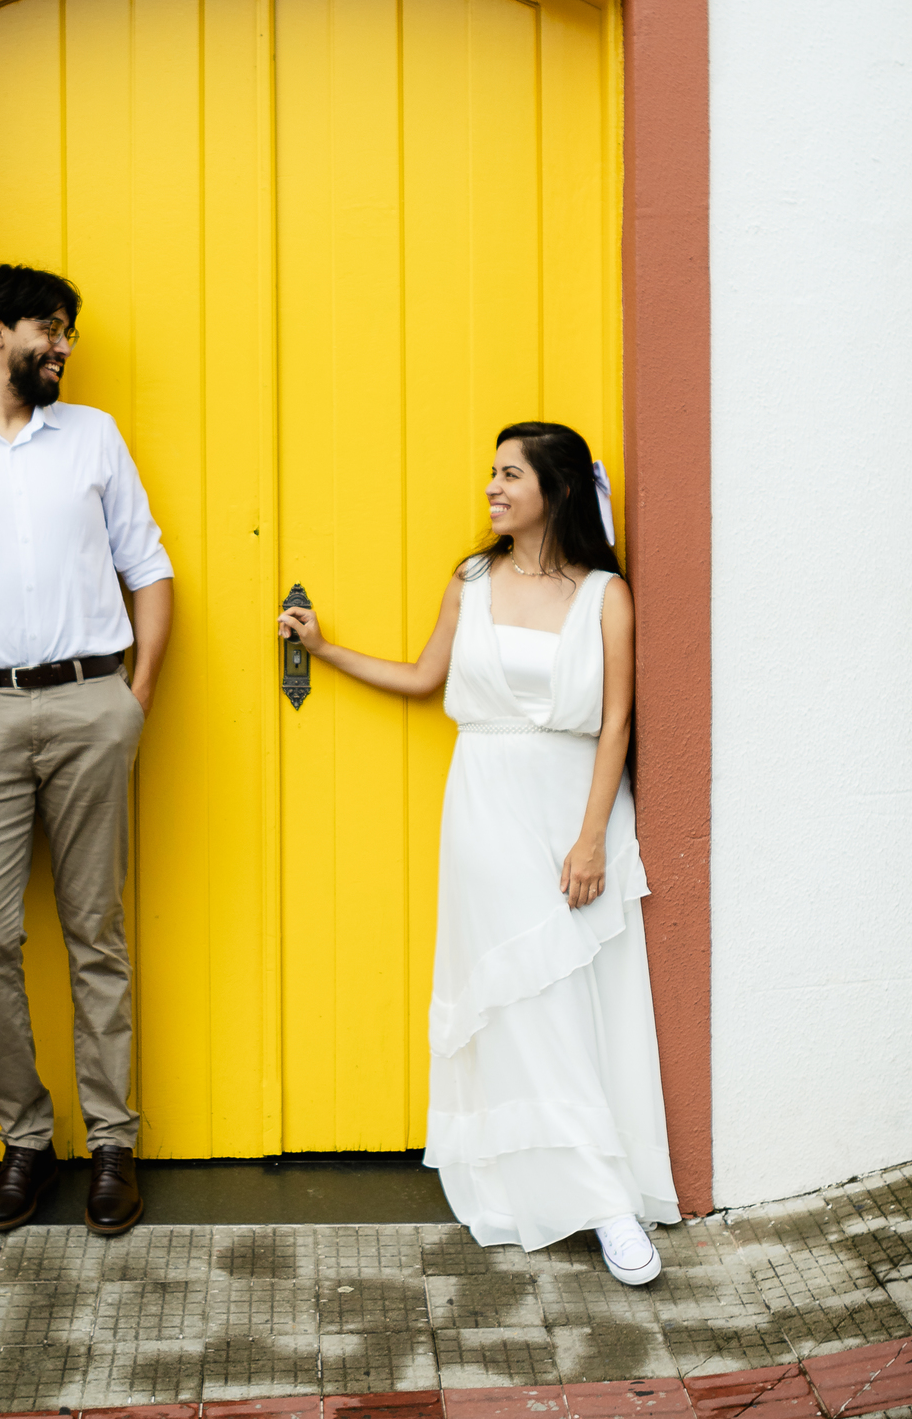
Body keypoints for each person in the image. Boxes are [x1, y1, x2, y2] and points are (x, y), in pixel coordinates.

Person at [277, 421, 679, 1284]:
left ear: (556, 490)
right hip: (487, 806)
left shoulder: (606, 595)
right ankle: (597, 1201)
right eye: (492, 473)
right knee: (526, 997)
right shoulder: (471, 579)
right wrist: (324, 651)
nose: (492, 488)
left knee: (576, 992)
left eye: (510, 475)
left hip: (574, 807)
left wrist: (590, 839)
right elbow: (425, 678)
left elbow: (616, 722)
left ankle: (603, 1189)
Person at [0, 263, 173, 1236]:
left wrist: (132, 701)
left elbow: (150, 570)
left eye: (67, 332)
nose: (62, 347)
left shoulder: (92, 437)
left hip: (91, 703)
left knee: (96, 930)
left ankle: (111, 1144)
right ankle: (25, 1140)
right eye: (50, 329)